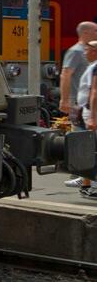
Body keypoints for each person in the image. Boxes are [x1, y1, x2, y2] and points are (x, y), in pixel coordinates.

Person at [60, 21, 97, 186]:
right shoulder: (76, 51)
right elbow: (66, 74)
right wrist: (65, 99)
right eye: (95, 30)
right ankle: (84, 175)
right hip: (78, 103)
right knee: (80, 138)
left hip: (86, 104)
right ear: (86, 33)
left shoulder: (88, 53)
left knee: (84, 139)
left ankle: (86, 176)